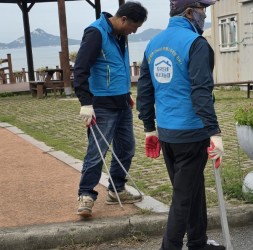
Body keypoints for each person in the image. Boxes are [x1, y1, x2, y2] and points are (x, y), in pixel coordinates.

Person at [136, 1, 225, 249]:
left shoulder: (154, 43)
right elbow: (201, 91)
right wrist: (214, 131)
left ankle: (198, 242)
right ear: (189, 12)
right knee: (183, 197)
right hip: (191, 132)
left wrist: (149, 127)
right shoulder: (196, 44)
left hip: (167, 132)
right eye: (202, 10)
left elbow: (144, 89)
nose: (204, 15)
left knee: (192, 189)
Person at [73, 1, 148, 218]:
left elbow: (116, 67)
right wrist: (86, 103)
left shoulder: (120, 35)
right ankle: (86, 194)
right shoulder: (95, 33)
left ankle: (116, 189)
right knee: (97, 153)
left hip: (122, 103)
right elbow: (80, 70)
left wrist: (126, 93)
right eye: (134, 26)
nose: (134, 31)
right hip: (101, 106)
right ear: (123, 19)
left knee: (126, 148)